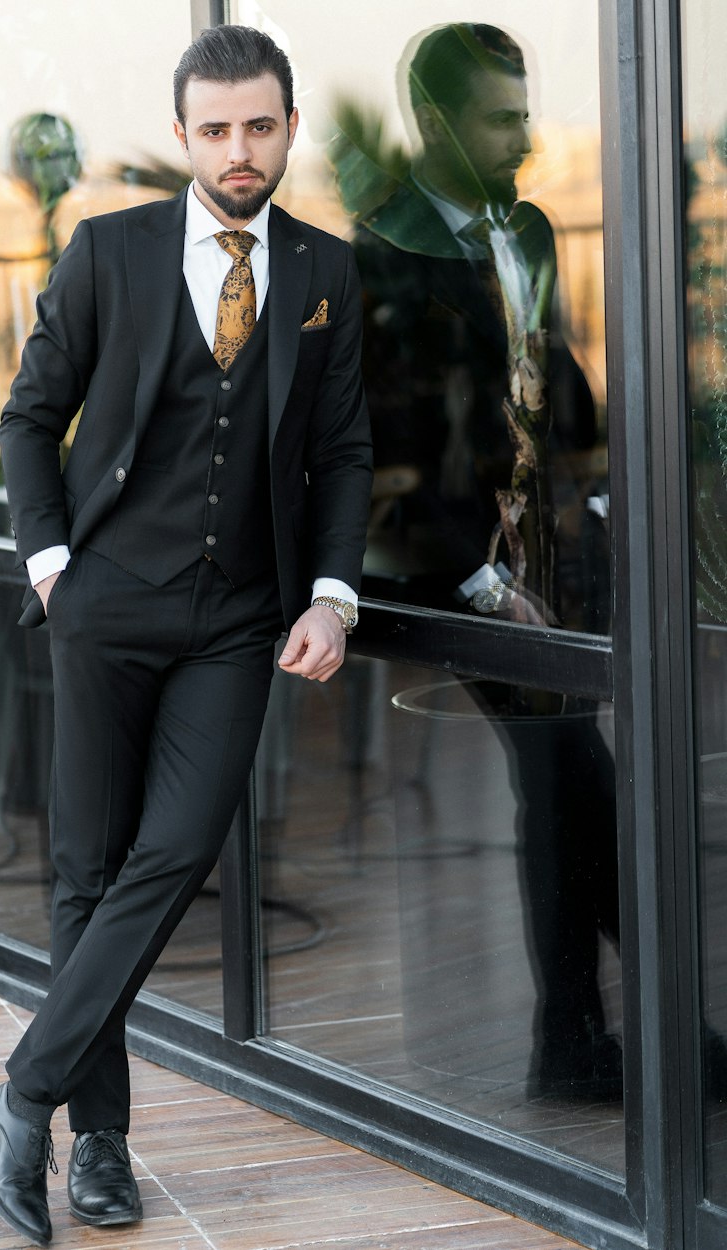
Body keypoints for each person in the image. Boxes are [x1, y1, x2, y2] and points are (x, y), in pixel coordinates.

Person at [0, 24, 373, 1247]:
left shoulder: (326, 273)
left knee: (178, 847)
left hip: (239, 617)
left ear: (289, 127)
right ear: (186, 132)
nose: (238, 151)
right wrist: (53, 566)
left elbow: (344, 450)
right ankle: (101, 1146)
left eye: (259, 126)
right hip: (105, 606)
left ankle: (17, 1093)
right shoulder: (108, 253)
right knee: (86, 870)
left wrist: (334, 592)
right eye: (215, 129)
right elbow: (29, 418)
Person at [350, 24, 621, 1102]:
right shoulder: (380, 249)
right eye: (500, 117)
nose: (525, 135)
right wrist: (478, 578)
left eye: (524, 110)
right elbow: (389, 444)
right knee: (569, 777)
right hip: (441, 569)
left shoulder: (533, 227)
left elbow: (550, 364)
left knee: (576, 783)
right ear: (432, 122)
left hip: (545, 550)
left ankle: (586, 1033)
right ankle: (581, 1037)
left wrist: (597, 493)